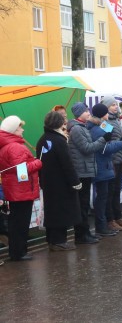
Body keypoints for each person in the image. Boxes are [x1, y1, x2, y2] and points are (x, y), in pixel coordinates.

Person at [37, 111, 81, 251]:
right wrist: (75, 181)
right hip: (61, 183)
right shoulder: (59, 140)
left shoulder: (42, 139)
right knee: (61, 211)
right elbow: (67, 163)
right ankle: (59, 241)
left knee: (51, 211)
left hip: (48, 181)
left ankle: (51, 240)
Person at [0, 116, 42, 261]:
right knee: (20, 222)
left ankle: (17, 251)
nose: (23, 129)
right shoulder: (15, 147)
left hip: (15, 189)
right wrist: (37, 162)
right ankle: (19, 252)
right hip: (21, 190)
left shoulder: (8, 145)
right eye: (20, 127)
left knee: (16, 221)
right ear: (13, 130)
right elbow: (22, 172)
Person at [68, 102, 108, 244]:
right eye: (86, 111)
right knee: (82, 204)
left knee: (84, 204)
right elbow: (86, 148)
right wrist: (104, 140)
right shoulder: (77, 129)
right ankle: (81, 235)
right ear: (80, 113)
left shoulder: (82, 127)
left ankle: (85, 233)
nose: (88, 113)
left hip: (86, 169)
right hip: (82, 170)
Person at [89, 103, 122, 237]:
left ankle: (106, 223)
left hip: (106, 165)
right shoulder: (98, 128)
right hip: (103, 165)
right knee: (104, 197)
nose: (114, 108)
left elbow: (112, 133)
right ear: (103, 113)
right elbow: (106, 147)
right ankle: (103, 225)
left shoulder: (102, 125)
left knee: (107, 195)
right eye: (111, 106)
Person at [100, 95, 122, 231]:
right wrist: (121, 142)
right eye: (112, 105)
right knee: (111, 191)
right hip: (112, 160)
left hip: (120, 159)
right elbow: (107, 142)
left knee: (116, 190)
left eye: (115, 104)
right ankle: (111, 219)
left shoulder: (117, 120)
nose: (115, 106)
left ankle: (118, 217)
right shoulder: (105, 123)